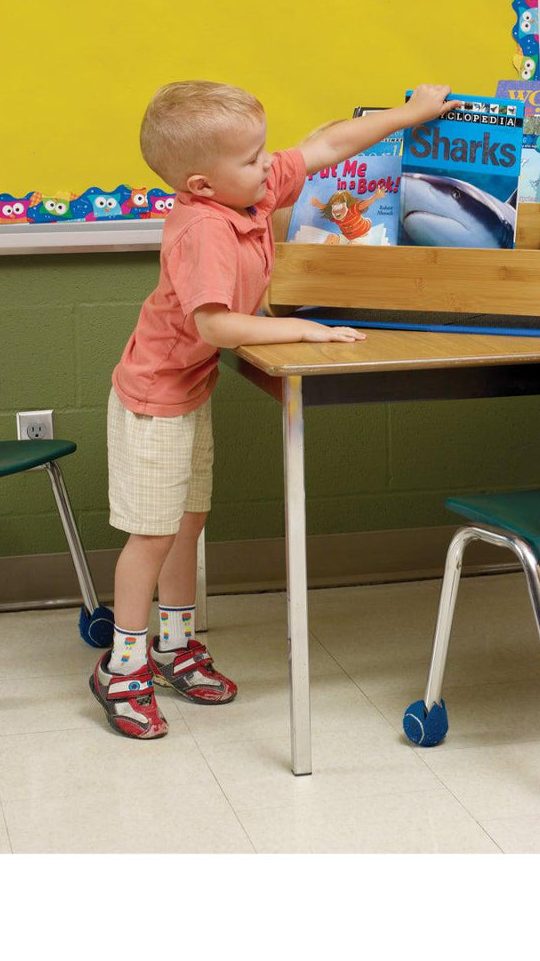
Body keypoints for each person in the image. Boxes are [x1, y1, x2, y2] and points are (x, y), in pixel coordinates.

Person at [92, 79, 455, 737]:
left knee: (188, 524)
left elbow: (326, 146)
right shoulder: (204, 228)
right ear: (202, 184)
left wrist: (411, 114)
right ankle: (122, 667)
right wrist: (303, 330)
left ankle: (174, 646)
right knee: (152, 536)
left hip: (188, 391)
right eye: (252, 158)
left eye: (263, 153)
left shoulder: (248, 192)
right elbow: (215, 325)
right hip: (153, 401)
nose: (268, 166)